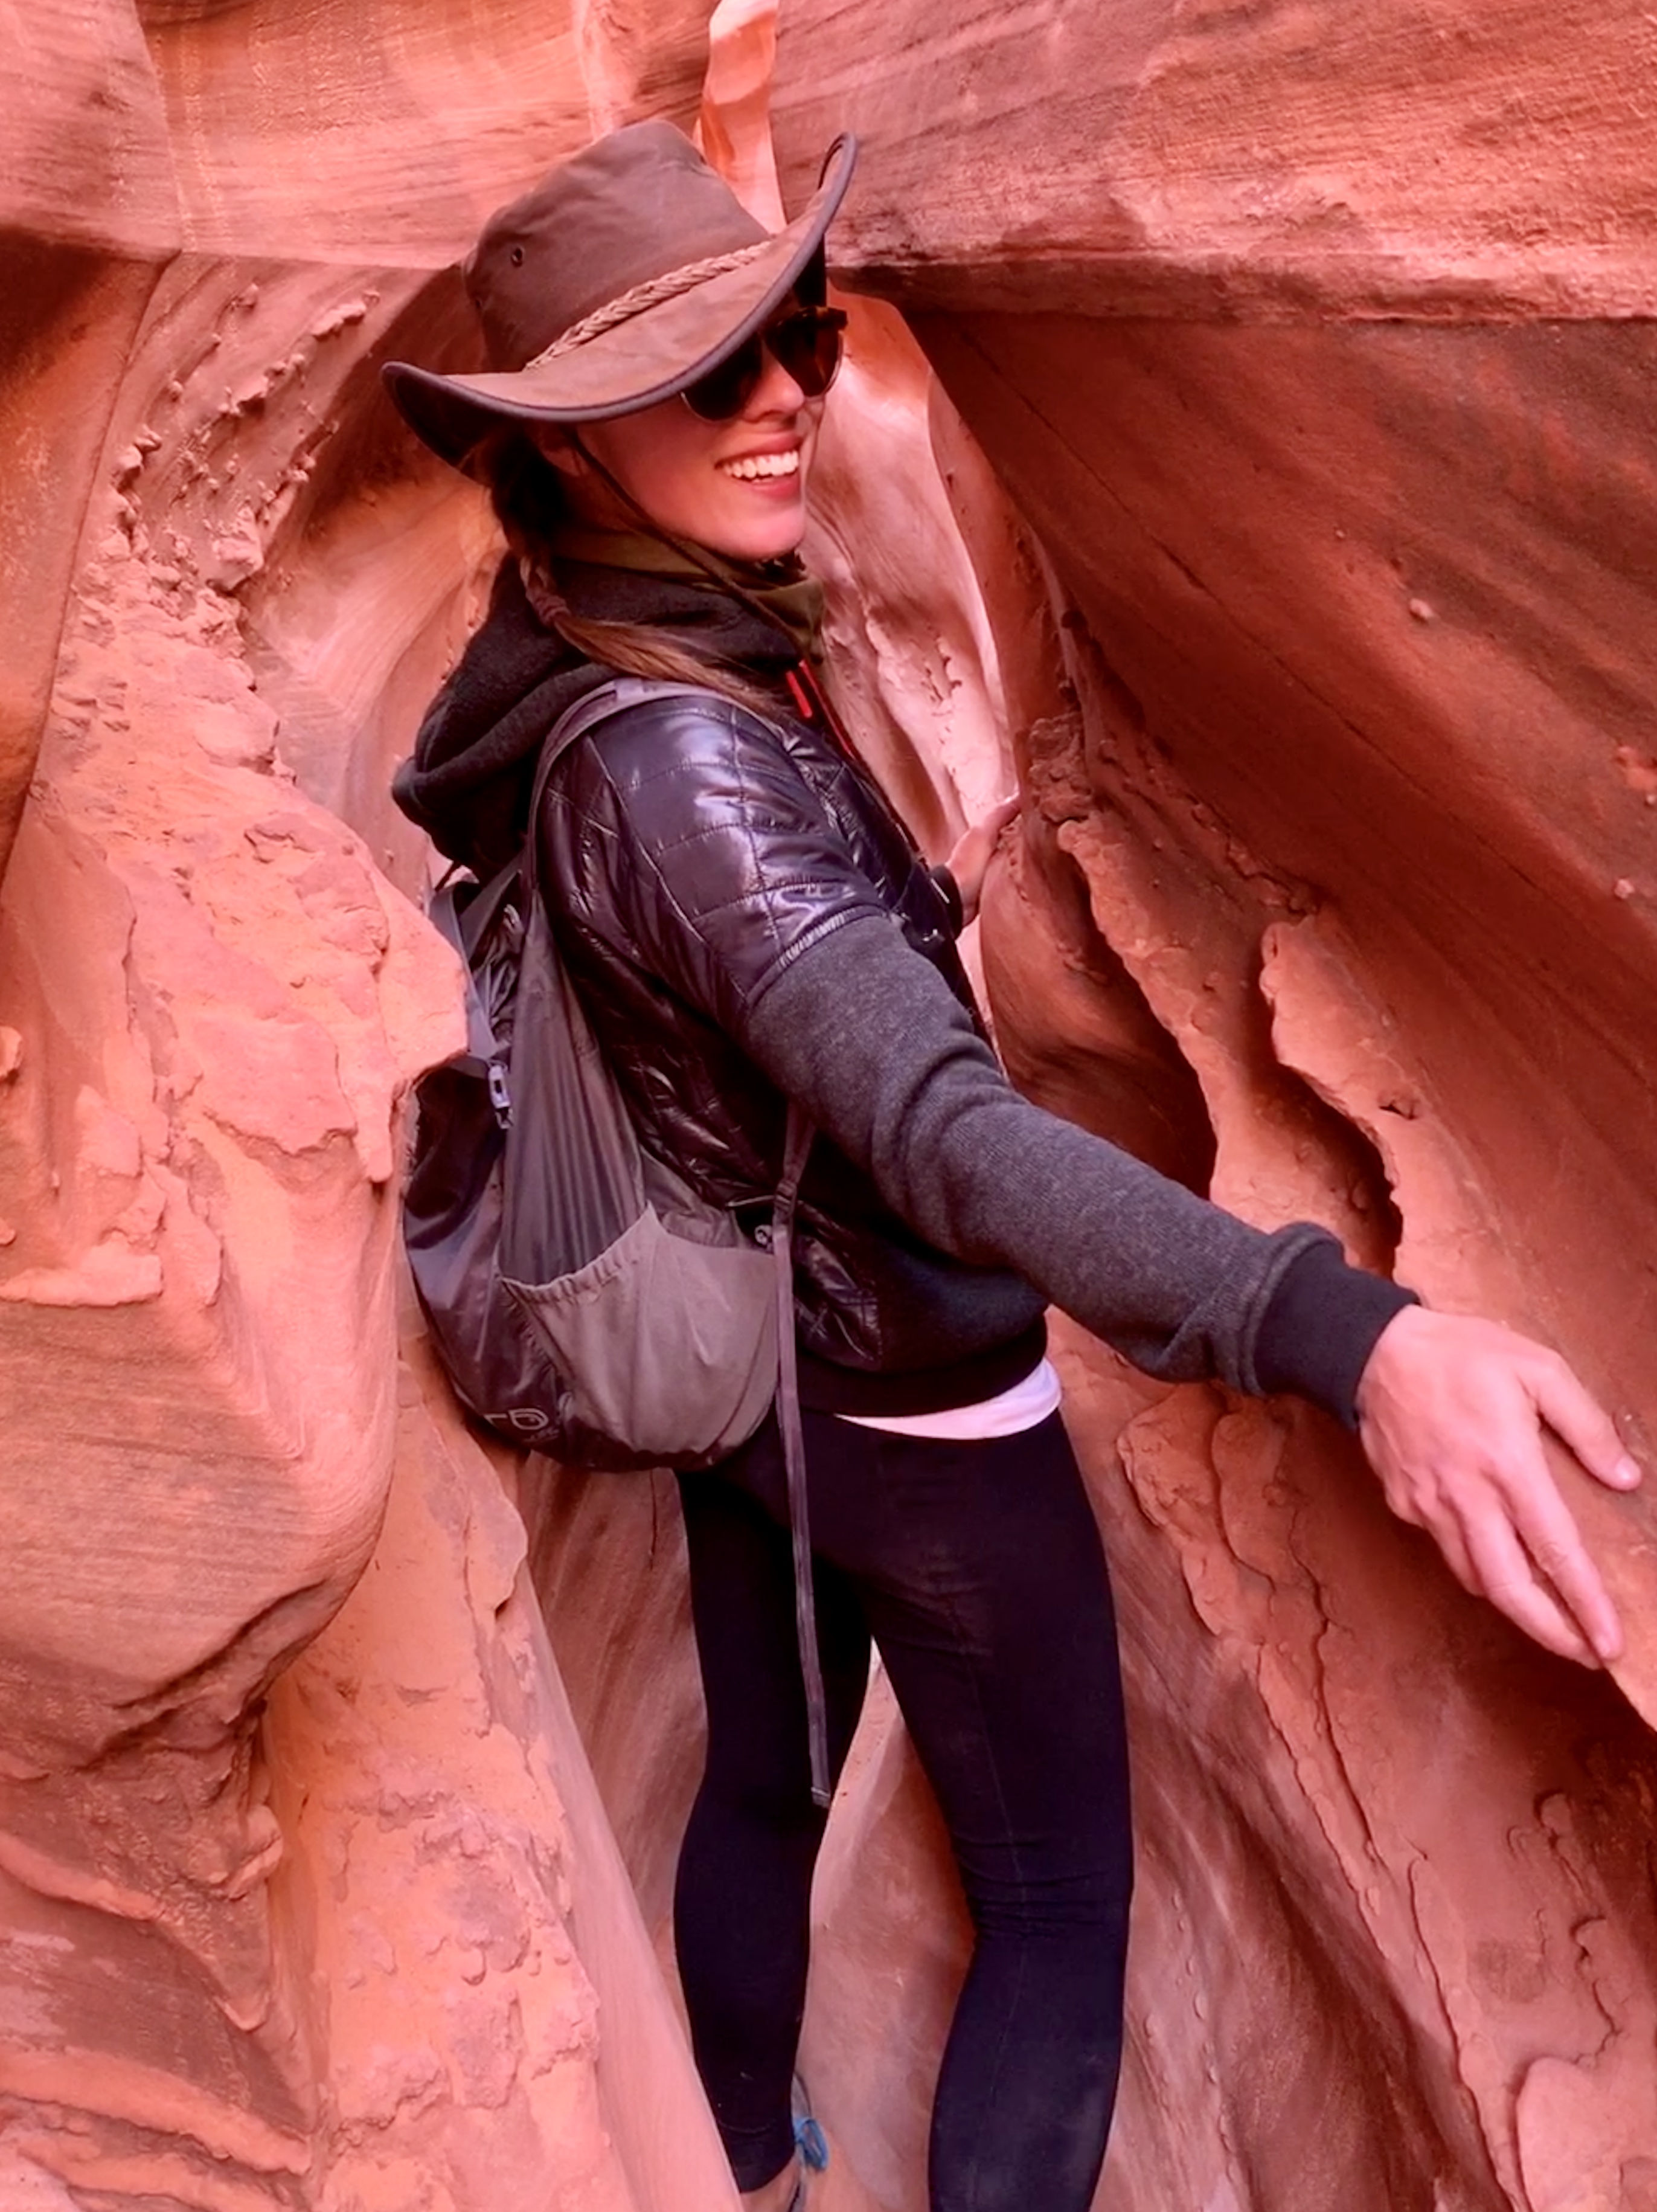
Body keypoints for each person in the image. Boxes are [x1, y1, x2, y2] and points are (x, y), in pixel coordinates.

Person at [383, 121, 1639, 2212]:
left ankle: (742, 2157)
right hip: (917, 1406)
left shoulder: (590, 651)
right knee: (1058, 1905)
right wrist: (1347, 1333)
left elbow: (748, 986)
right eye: (712, 372)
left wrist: (901, 919)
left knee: (771, 1785)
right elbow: (946, 1140)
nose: (786, 389)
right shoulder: (694, 760)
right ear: (578, 445)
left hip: (749, 1383)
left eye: (791, 333)